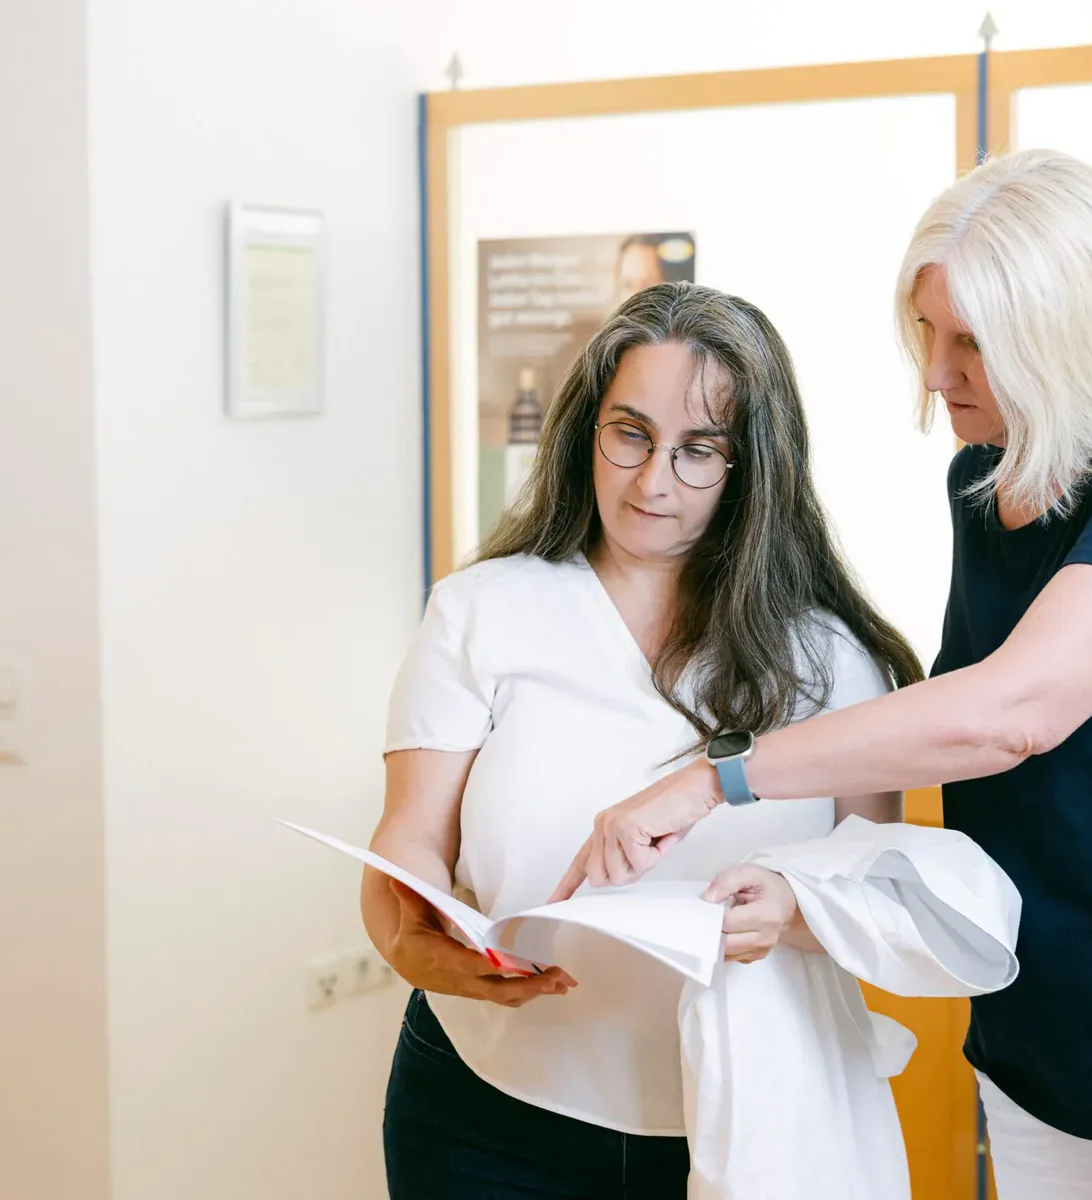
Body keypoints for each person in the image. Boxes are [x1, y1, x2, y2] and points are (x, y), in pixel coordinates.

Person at [555, 149, 1092, 1199]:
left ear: (1068, 334)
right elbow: (988, 783)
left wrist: (716, 776)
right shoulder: (983, 481)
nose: (937, 374)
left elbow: (1011, 715)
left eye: (974, 343)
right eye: (928, 333)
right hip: (1039, 1034)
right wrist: (814, 899)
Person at [364, 281, 922, 1198]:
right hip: (488, 1113)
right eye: (630, 435)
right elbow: (410, 836)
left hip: (742, 1119)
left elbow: (878, 899)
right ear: (587, 429)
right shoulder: (481, 611)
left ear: (750, 466)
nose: (652, 481)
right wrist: (407, 932)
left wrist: (795, 913)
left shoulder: (828, 659)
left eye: (698, 450)